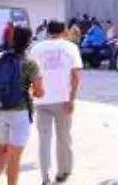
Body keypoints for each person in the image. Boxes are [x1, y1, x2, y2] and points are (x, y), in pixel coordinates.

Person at [0, 26, 44, 185]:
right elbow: (39, 92)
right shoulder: (30, 63)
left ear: (12, 39)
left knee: (3, 150)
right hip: (19, 112)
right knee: (15, 157)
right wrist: (32, 91)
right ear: (29, 42)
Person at [30, 21, 82, 185]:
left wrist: (32, 94)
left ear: (47, 31)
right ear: (64, 31)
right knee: (63, 137)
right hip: (63, 99)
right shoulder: (70, 48)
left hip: (41, 100)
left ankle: (45, 176)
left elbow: (30, 75)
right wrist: (72, 98)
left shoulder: (37, 49)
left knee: (44, 139)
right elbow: (76, 76)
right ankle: (63, 171)